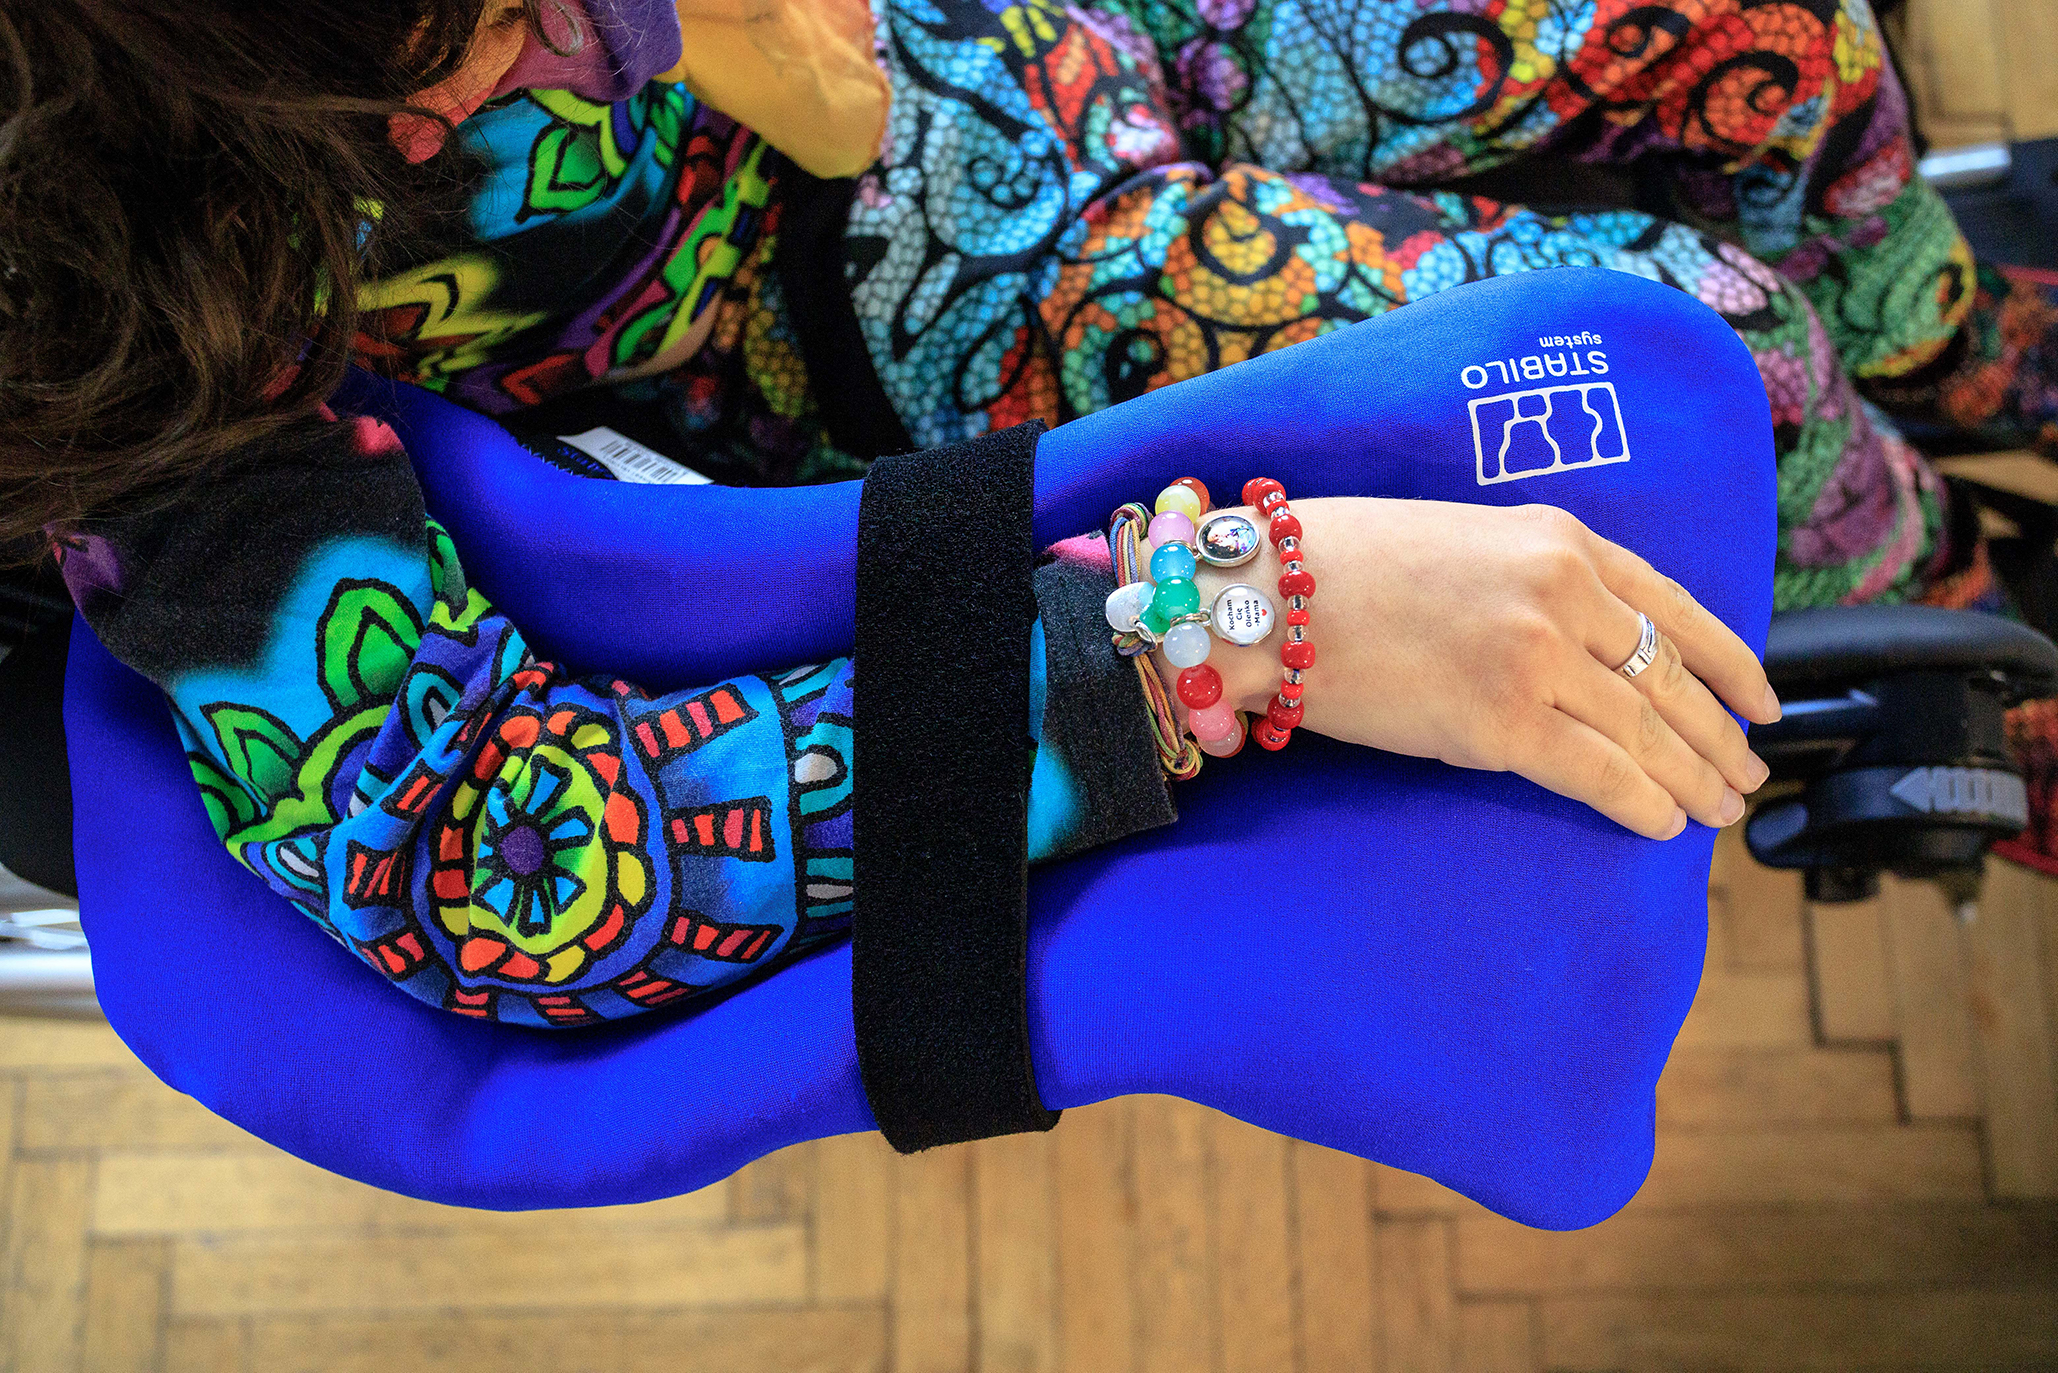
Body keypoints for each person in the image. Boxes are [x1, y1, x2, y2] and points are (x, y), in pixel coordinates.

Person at [56, 0, 2042, 1031]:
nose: (589, 32)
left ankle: (1968, 354)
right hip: (896, 306)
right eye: (479, 33)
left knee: (1773, 39)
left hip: (1023, 37)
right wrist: (1223, 628)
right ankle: (1961, 627)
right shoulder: (106, 298)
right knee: (1708, 361)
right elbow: (500, 870)